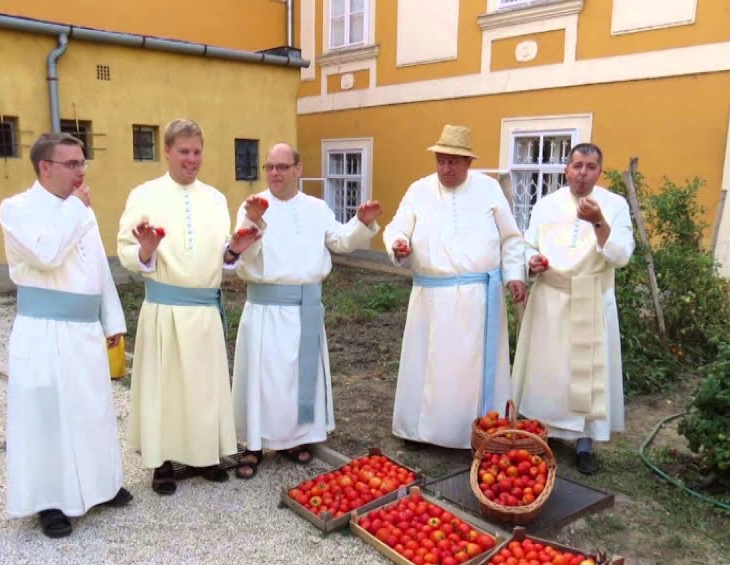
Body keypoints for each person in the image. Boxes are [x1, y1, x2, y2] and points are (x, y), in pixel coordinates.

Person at [116, 118, 264, 494]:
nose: (191, 159)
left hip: (204, 310)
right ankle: (163, 461)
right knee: (164, 389)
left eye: (197, 152)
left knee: (204, 388)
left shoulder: (215, 198)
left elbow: (221, 256)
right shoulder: (144, 195)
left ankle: (204, 455)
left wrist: (235, 250)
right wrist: (145, 249)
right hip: (164, 308)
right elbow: (125, 250)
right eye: (183, 151)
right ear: (167, 151)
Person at [0, 132, 131, 539]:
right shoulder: (16, 209)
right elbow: (46, 254)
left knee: (91, 410)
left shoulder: (79, 210)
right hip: (44, 330)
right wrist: (76, 209)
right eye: (71, 163)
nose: (80, 171)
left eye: (82, 162)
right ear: (45, 167)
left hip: (84, 329)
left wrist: (113, 322)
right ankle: (49, 501)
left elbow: (98, 269)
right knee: (47, 416)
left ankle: (99, 486)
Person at [229, 143, 382, 478]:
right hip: (266, 310)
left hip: (305, 309)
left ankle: (295, 438)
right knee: (264, 378)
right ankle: (254, 444)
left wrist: (361, 223)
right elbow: (242, 255)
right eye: (269, 167)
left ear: (298, 170)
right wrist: (253, 221)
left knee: (300, 378)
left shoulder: (316, 207)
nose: (275, 173)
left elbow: (340, 241)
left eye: (282, 167)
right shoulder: (253, 206)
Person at [382, 124, 527, 450]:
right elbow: (397, 227)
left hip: (478, 299)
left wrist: (515, 274)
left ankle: (476, 431)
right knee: (428, 366)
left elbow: (511, 239)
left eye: (454, 161)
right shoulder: (419, 190)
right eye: (442, 160)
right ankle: (419, 431)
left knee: (470, 372)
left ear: (468, 162)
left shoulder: (489, 190)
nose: (446, 168)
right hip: (431, 298)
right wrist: (399, 243)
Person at [511, 142, 635, 475]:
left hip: (590, 298)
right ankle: (543, 435)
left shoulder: (615, 205)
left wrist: (598, 222)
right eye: (577, 165)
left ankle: (585, 444)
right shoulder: (547, 204)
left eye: (590, 166)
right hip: (550, 296)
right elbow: (527, 243)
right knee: (548, 372)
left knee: (586, 375)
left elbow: (622, 255)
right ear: (566, 168)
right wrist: (530, 260)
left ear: (599, 171)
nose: (582, 172)